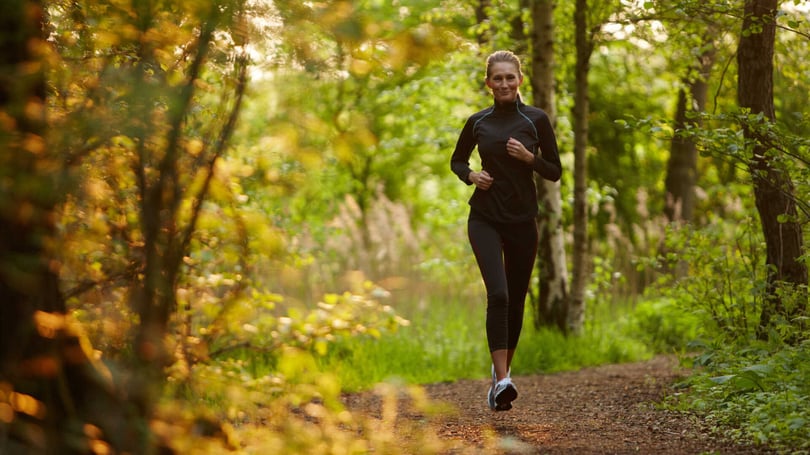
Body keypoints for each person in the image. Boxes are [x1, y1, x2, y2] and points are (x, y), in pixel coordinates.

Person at [450, 50, 562, 411]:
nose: (503, 83)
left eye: (509, 77)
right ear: (488, 83)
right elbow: (457, 160)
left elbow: (554, 170)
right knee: (497, 294)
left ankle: (502, 376)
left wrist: (530, 159)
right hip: (484, 216)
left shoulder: (536, 120)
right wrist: (471, 176)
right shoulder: (477, 122)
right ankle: (502, 380)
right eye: (497, 78)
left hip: (522, 221)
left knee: (515, 299)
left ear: (520, 80)